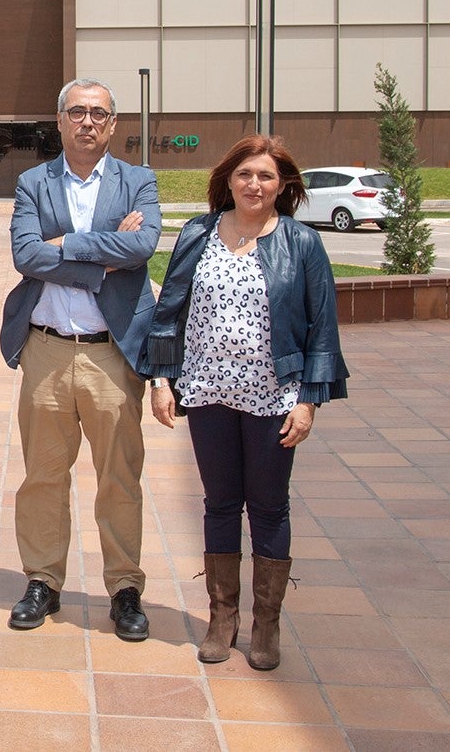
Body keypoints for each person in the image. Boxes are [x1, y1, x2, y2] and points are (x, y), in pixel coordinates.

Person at [146, 135, 348, 671]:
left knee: (268, 505)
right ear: (228, 180)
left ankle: (266, 624)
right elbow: (170, 311)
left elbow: (321, 329)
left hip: (272, 395)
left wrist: (308, 401)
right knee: (218, 503)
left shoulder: (301, 243)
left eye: (265, 176)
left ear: (282, 185)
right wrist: (161, 381)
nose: (253, 184)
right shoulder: (198, 233)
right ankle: (222, 618)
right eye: (244, 175)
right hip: (207, 389)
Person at [0, 77, 161, 642]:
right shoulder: (31, 182)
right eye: (77, 112)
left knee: (119, 476)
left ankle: (125, 587)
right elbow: (24, 255)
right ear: (60, 120)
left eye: (99, 113)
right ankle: (42, 580)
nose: (87, 122)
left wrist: (65, 245)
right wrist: (100, 253)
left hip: (111, 353)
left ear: (113, 124)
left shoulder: (139, 181)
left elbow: (142, 248)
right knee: (43, 474)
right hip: (45, 347)